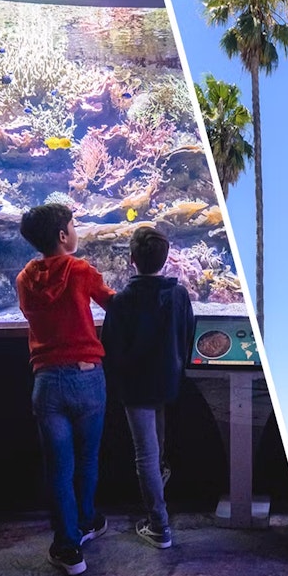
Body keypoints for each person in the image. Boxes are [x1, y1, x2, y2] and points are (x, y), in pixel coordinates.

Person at [17, 203, 115, 576]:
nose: (77, 229)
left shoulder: (24, 278)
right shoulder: (81, 270)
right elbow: (111, 302)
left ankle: (68, 546)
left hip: (47, 383)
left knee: (59, 468)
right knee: (88, 458)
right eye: (73, 224)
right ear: (63, 235)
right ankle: (88, 520)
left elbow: (33, 314)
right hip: (88, 377)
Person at [101, 227, 194, 550]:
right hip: (167, 384)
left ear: (131, 260)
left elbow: (110, 348)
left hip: (135, 388)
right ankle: (159, 509)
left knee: (146, 455)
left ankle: (159, 526)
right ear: (166, 259)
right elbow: (188, 334)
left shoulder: (122, 301)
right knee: (158, 451)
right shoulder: (179, 295)